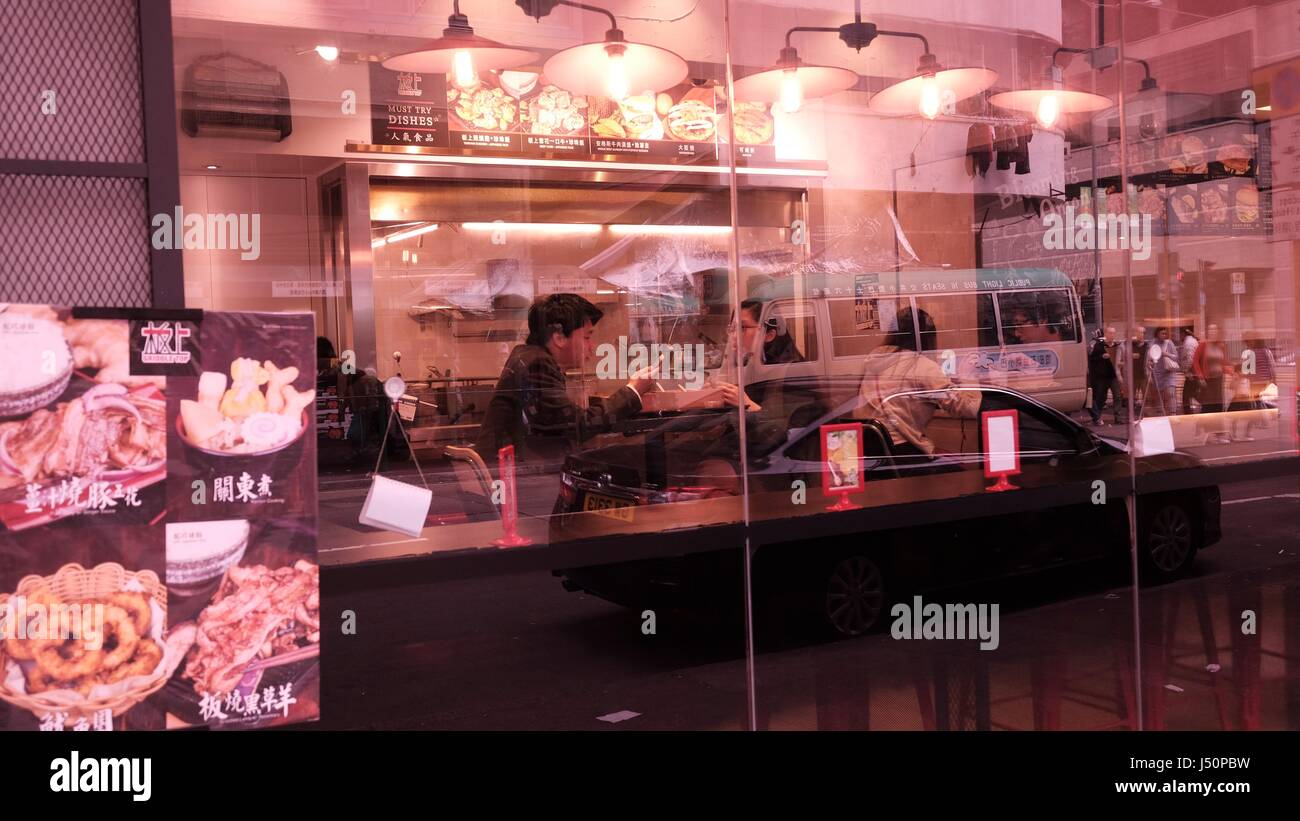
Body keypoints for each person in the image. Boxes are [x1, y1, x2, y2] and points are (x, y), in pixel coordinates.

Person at [475, 292, 658, 464]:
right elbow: (576, 425)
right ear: (559, 338)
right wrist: (633, 391)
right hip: (511, 478)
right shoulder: (536, 365)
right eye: (587, 337)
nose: (592, 347)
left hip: (514, 469)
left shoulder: (530, 357)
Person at [856, 308, 981, 457]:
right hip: (901, 452)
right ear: (926, 337)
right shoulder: (922, 366)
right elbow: (969, 408)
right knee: (961, 475)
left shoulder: (873, 360)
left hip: (867, 452)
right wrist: (967, 376)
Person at [1192, 323, 1230, 444]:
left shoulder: (1221, 346)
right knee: (1209, 407)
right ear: (1208, 332)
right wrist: (1200, 376)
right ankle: (1208, 434)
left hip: (1218, 380)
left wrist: (1231, 372)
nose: (1212, 332)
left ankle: (1218, 434)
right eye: (1210, 330)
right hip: (1207, 381)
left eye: (1214, 330)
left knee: (1219, 406)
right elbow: (1195, 362)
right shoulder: (1203, 345)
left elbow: (1222, 363)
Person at [1088, 326, 1123, 425]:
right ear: (1106, 334)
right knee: (1101, 397)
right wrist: (1101, 356)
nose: (1112, 335)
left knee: (1117, 396)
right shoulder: (1099, 345)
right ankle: (1097, 417)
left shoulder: (1117, 346)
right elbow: (1092, 359)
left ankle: (1118, 417)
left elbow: (1121, 358)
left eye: (1113, 333)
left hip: (1113, 375)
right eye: (1110, 333)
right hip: (1102, 376)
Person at [1147, 327, 1180, 416]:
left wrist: (1166, 354)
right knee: (1159, 395)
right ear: (1157, 334)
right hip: (1157, 373)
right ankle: (1161, 414)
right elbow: (1148, 359)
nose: (1164, 335)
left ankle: (1173, 414)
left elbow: (1176, 357)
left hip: (1168, 372)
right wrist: (1149, 368)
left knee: (1170, 393)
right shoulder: (1153, 344)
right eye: (1162, 333)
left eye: (1165, 333)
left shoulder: (1169, 343)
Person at [1179, 325, 1200, 414]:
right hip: (1194, 372)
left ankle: (1188, 413)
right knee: (1191, 394)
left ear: (1183, 333)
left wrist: (1186, 371)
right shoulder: (1193, 341)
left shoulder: (1188, 342)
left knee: (1187, 396)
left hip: (1192, 373)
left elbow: (1189, 358)